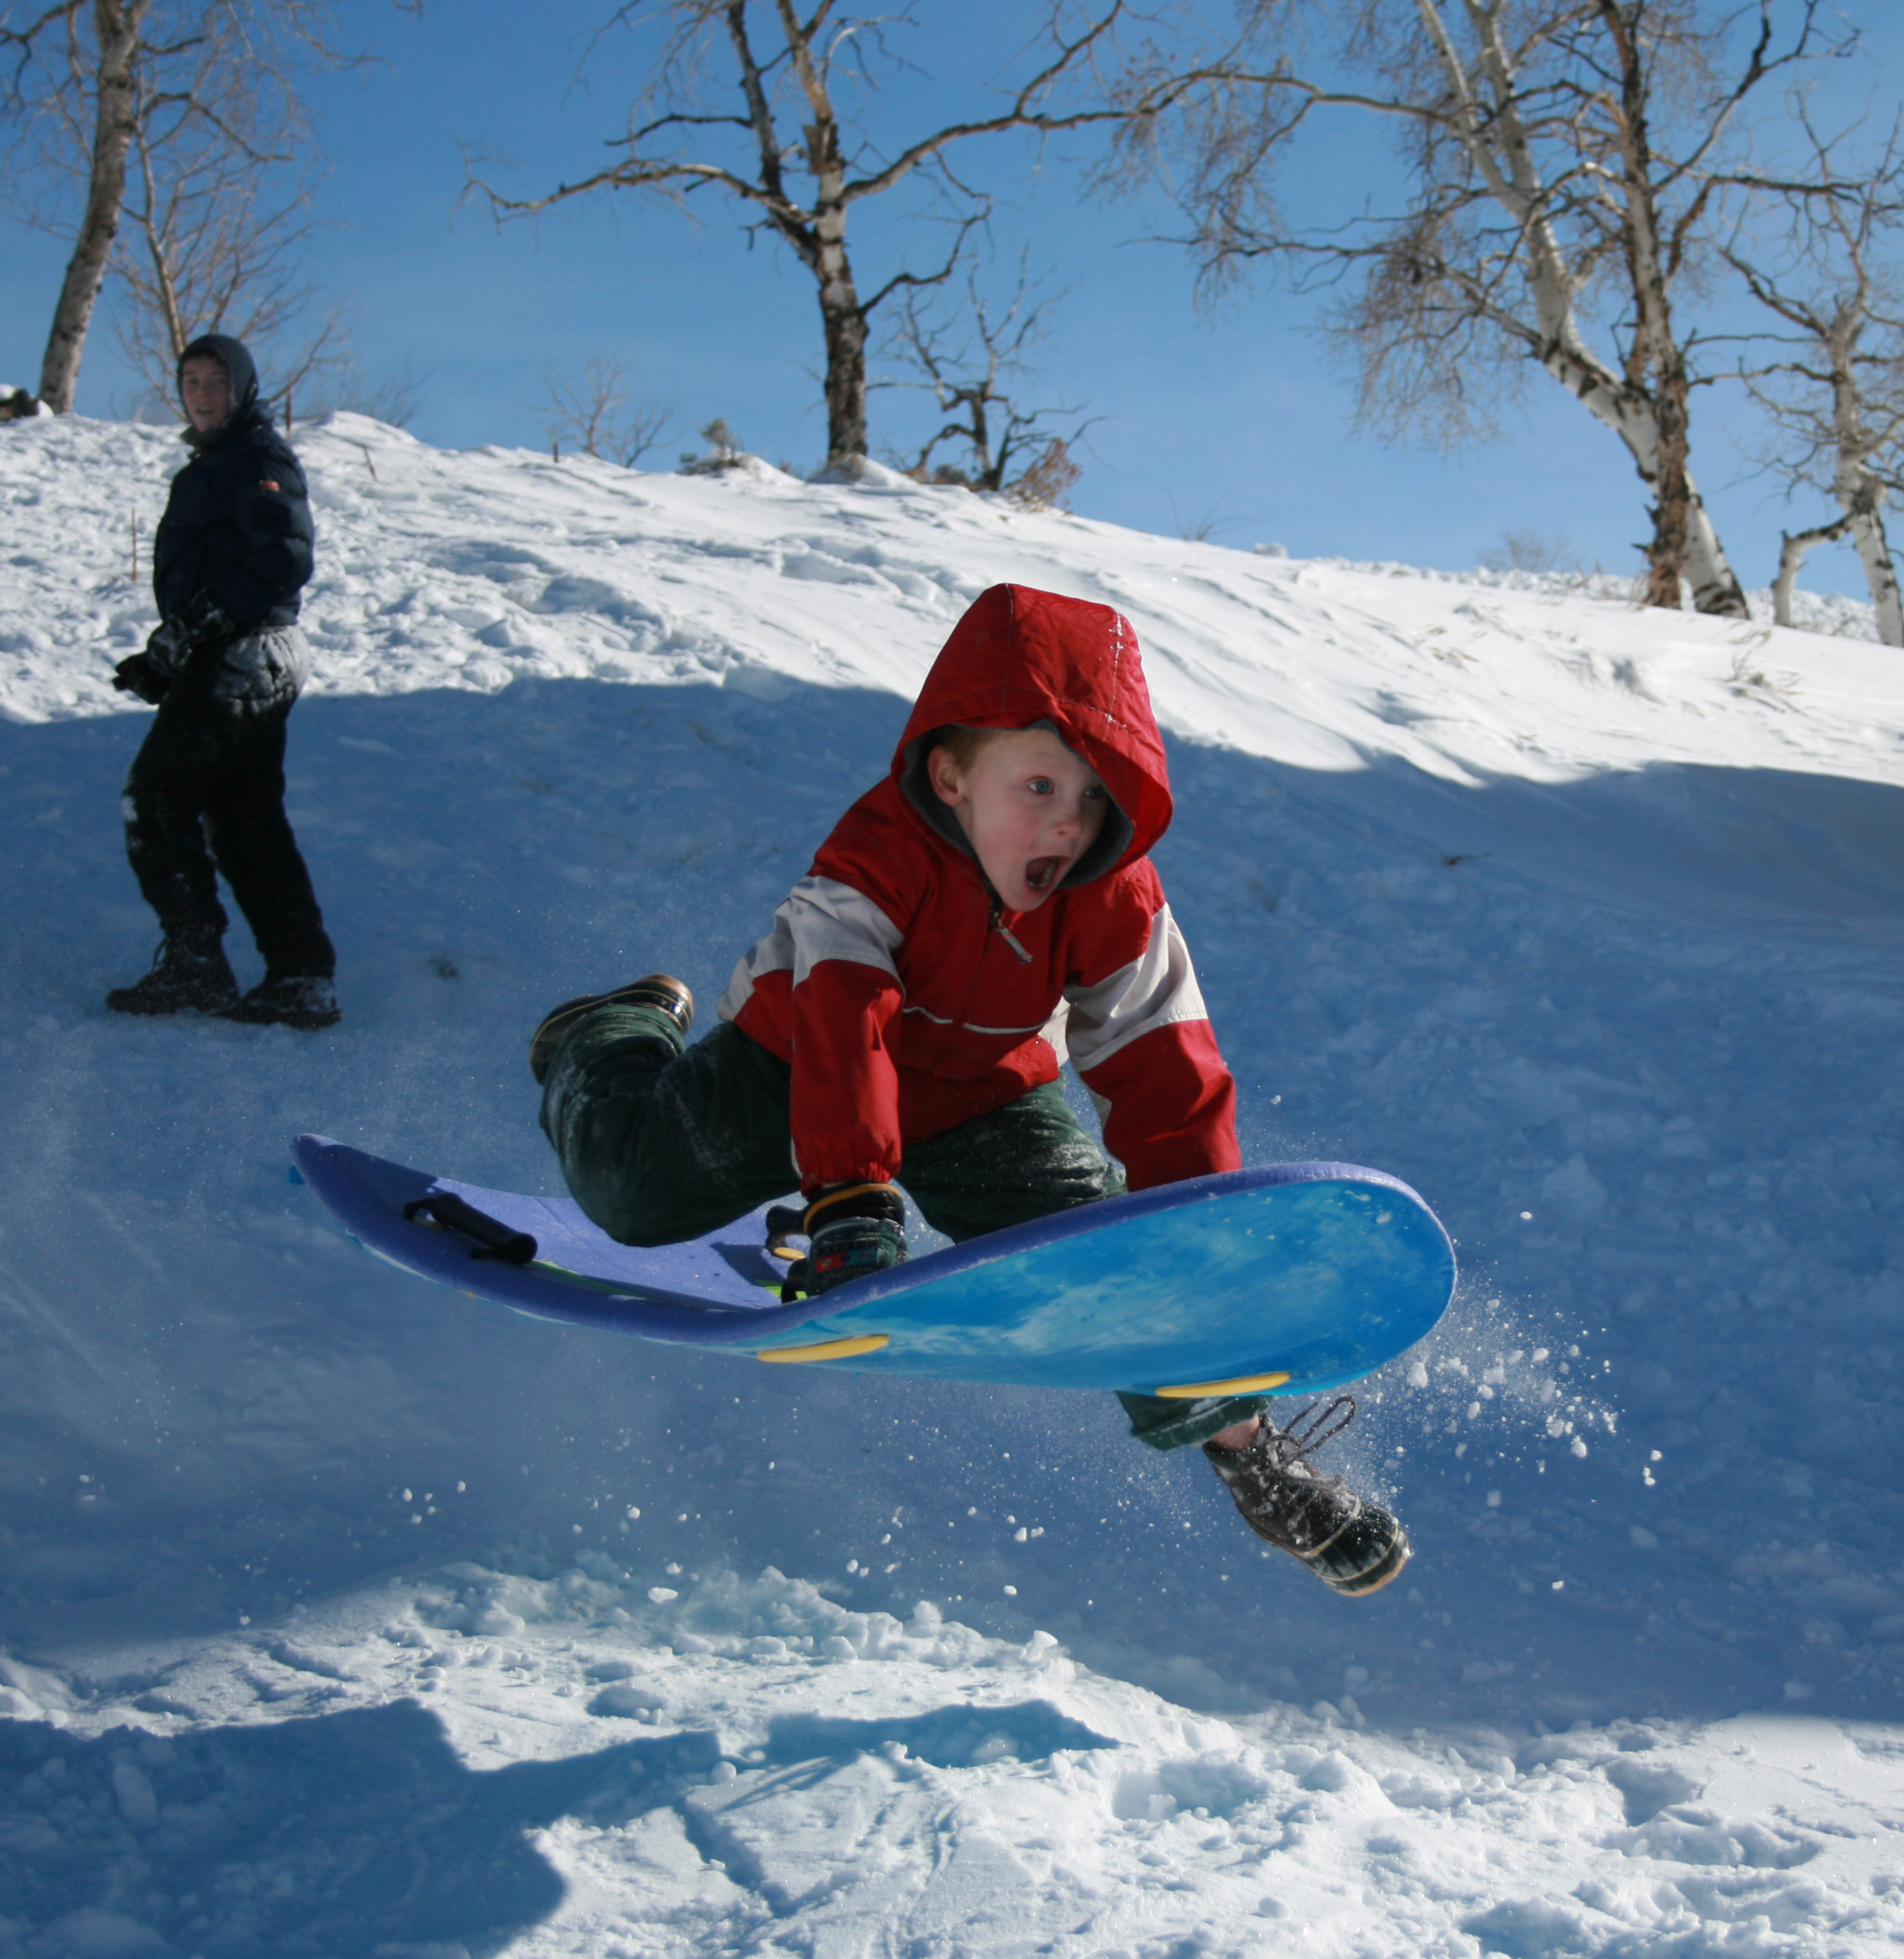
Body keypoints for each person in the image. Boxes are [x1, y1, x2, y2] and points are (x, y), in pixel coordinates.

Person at [528, 583, 1410, 1596]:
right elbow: (846, 1015)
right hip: (797, 1058)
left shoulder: (1111, 893)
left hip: (984, 1097)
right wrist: (853, 1198)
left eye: (1093, 799)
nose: (1069, 825)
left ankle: (1250, 1452)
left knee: (1112, 1264)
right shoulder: (878, 857)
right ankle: (612, 1030)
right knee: (632, 1196)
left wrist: (1188, 1250)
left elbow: (1163, 1059)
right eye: (1040, 787)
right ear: (949, 777)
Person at [106, 333, 339, 1030]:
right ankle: (301, 977)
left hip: (250, 653)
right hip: (241, 653)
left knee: (156, 797)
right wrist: (167, 656)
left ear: (240, 388)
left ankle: (195, 964)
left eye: (216, 381)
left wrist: (200, 623)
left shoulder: (254, 455)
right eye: (191, 381)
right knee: (244, 822)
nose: (202, 394)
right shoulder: (219, 461)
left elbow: (284, 558)